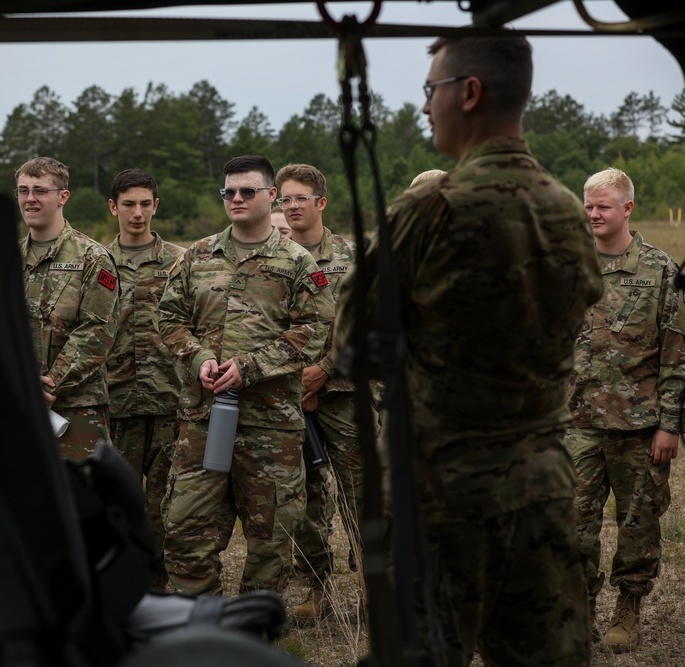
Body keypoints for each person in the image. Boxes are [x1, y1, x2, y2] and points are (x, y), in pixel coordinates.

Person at [334, 35, 602, 666]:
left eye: (432, 90)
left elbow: (351, 345)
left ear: (470, 93)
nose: (426, 106)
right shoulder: (566, 208)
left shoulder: (434, 207)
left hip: (442, 497)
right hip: (542, 485)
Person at [158, 154, 335, 596]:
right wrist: (197, 356)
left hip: (269, 425)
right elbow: (167, 318)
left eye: (247, 191)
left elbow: (314, 331)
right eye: (228, 192)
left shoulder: (296, 263)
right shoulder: (197, 256)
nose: (236, 198)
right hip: (201, 421)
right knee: (186, 531)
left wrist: (251, 367)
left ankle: (253, 633)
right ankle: (202, 628)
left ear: (270, 195)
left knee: (271, 540)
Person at [568, 167, 685, 653]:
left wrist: (670, 424)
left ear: (627, 209)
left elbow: (677, 355)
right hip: (576, 422)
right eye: (589, 205)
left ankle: (629, 606)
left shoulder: (662, 270)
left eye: (603, 206)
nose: (594, 214)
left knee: (638, 521)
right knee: (572, 521)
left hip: (639, 426)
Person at [273, 163, 362, 622]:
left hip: (346, 396)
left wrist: (324, 370)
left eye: (300, 198)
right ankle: (316, 586)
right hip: (290, 400)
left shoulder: (352, 255)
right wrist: (297, 378)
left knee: (361, 498)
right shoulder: (272, 255)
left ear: (320, 203)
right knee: (304, 501)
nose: (291, 207)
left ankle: (374, 591)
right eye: (284, 199)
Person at [103, 168, 186, 587]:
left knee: (167, 506)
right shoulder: (94, 262)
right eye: (129, 204)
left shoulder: (181, 261)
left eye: (145, 204)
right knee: (117, 502)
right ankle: (123, 584)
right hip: (115, 402)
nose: (138, 213)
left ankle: (160, 585)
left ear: (156, 205)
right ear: (113, 207)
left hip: (170, 401)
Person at [16, 156, 119, 461]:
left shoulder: (92, 258)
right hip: (18, 404)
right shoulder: (5, 259)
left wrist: (50, 386)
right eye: (23, 191)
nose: (30, 199)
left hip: (76, 413)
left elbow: (97, 331)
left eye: (40, 190)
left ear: (63, 197)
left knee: (81, 500)